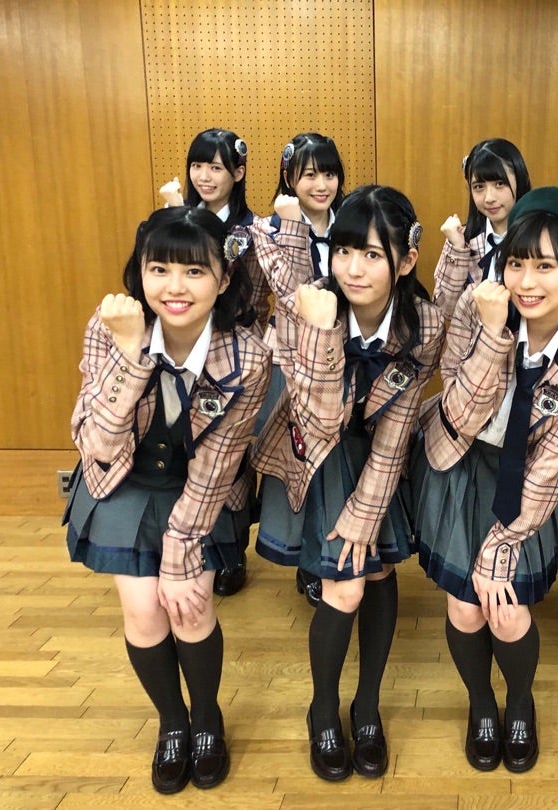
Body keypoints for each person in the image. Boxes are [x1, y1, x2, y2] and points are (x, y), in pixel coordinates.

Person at [64, 206, 269, 793]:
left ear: (223, 280)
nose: (174, 287)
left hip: (199, 488)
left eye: (194, 271)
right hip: (124, 480)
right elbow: (97, 442)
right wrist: (131, 355)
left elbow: (217, 464)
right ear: (140, 273)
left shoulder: (247, 355)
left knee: (191, 606)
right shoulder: (109, 327)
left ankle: (207, 719)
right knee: (144, 611)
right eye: (159, 269)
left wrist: (181, 554)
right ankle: (172, 721)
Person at [413, 187, 558, 773]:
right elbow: (458, 412)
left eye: (545, 266)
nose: (527, 282)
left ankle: (520, 701)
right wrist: (493, 336)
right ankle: (481, 703)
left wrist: (501, 548)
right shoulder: (477, 312)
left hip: (529, 487)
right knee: (465, 610)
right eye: (517, 263)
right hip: (462, 464)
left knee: (507, 611)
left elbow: (553, 465)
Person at [251, 185, 444, 781]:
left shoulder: (425, 321)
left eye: (371, 254)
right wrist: (318, 333)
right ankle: (323, 709)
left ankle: (367, 706)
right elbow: (318, 419)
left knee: (378, 571)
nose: (352, 269)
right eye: (342, 251)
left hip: (379, 455)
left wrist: (367, 509)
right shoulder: (307, 307)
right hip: (320, 448)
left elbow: (399, 425)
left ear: (406, 261)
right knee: (345, 587)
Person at [158, 128, 264, 596]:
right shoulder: (176, 218)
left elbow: (259, 295)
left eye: (216, 167)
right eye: (197, 165)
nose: (204, 176)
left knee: (228, 455)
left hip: (231, 352)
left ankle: (230, 552)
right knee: (184, 447)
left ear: (237, 173)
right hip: (179, 347)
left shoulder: (253, 230)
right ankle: (184, 542)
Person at [257, 133, 348, 605]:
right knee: (298, 466)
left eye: (328, 173)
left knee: (334, 466)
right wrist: (293, 226)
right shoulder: (268, 229)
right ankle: (306, 560)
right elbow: (292, 293)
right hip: (289, 365)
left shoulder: (351, 222)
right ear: (289, 177)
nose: (321, 184)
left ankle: (329, 556)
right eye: (310, 174)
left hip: (341, 361)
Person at [435, 138, 532, 316]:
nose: (489, 198)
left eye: (499, 184)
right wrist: (457, 249)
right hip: (476, 334)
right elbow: (444, 310)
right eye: (479, 187)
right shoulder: (464, 239)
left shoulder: (540, 237)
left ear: (520, 180)